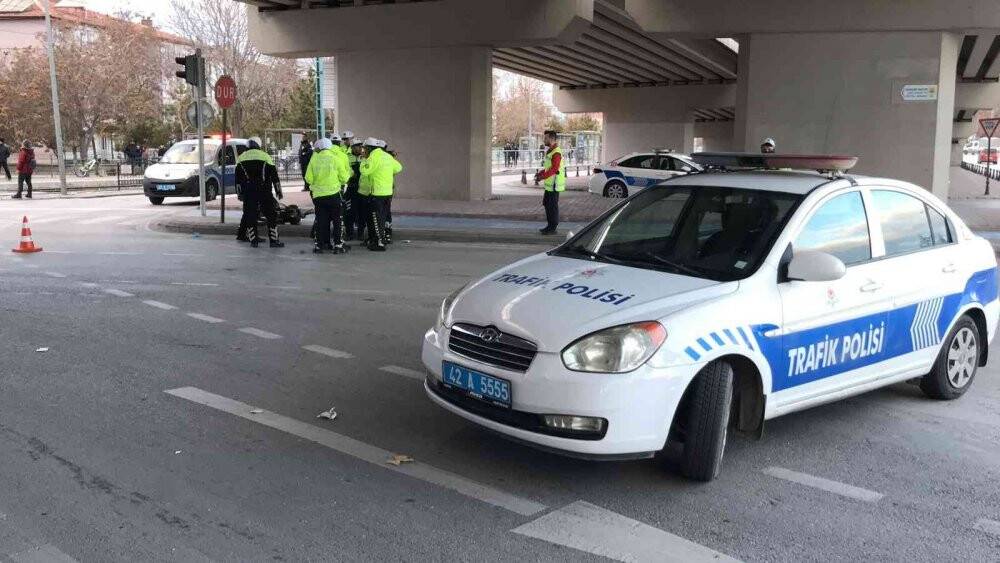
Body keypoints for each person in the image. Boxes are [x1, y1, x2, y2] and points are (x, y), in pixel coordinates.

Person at [235, 137, 284, 248]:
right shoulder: (265, 156)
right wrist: (278, 191)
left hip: (249, 192)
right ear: (258, 145)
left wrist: (240, 194)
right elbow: (274, 176)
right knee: (271, 215)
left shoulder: (241, 158)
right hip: (264, 191)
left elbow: (237, 180)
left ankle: (254, 240)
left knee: (250, 215)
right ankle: (274, 241)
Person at [305, 138, 352, 254]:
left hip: (319, 197)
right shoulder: (336, 159)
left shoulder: (314, 160)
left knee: (321, 221)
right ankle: (338, 245)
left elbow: (308, 178)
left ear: (319, 147)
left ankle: (319, 246)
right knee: (337, 220)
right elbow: (344, 178)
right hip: (334, 195)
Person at [360, 138, 402, 251]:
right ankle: (380, 240)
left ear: (369, 148)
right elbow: (398, 168)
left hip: (377, 193)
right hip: (388, 193)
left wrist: (364, 160)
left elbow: (364, 171)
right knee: (382, 218)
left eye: (364, 148)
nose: (363, 151)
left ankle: (379, 243)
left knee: (376, 218)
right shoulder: (386, 156)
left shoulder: (373, 157)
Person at [535, 130, 565, 234]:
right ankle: (550, 226)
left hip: (554, 185)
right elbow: (549, 168)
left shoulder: (556, 152)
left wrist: (542, 176)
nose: (544, 140)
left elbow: (554, 169)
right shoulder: (551, 151)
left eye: (546, 138)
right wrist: (541, 173)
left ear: (551, 139)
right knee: (547, 204)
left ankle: (552, 227)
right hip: (550, 185)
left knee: (552, 206)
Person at [349, 140, 367, 242]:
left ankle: (360, 233)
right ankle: (350, 233)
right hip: (351, 188)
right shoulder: (347, 157)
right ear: (352, 147)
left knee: (362, 212)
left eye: (361, 146)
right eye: (357, 146)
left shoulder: (365, 157)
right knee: (350, 212)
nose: (360, 148)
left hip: (362, 190)